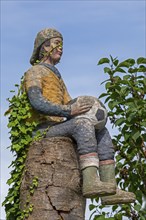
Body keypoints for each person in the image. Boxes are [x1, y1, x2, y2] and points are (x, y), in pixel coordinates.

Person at [23, 28, 135, 204]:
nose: (61, 48)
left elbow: (67, 103)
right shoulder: (35, 72)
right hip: (42, 129)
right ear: (45, 47)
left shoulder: (57, 77)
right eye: (56, 44)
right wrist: (70, 111)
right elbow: (36, 102)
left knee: (103, 132)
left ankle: (109, 188)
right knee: (82, 124)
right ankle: (90, 182)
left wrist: (83, 106)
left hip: (57, 126)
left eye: (62, 45)